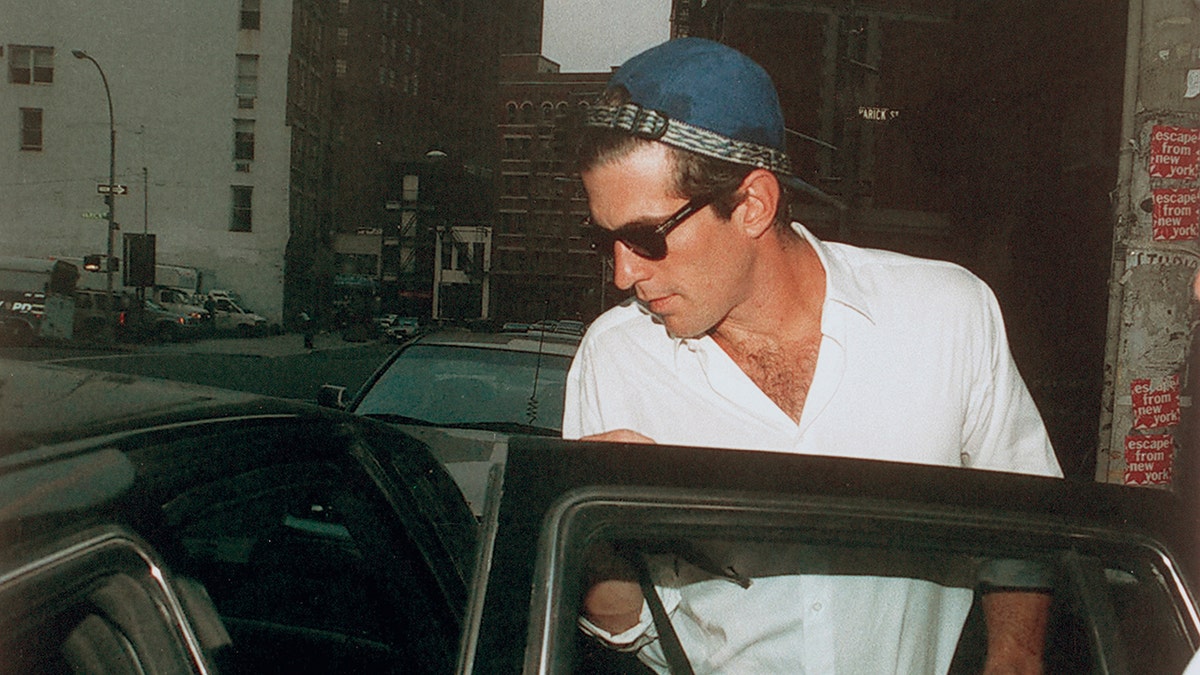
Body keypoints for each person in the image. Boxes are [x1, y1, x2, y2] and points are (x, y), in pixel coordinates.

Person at [562, 38, 1063, 674]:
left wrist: (1013, 659)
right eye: (603, 240)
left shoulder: (946, 315)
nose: (623, 273)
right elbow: (619, 623)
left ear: (752, 205)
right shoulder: (615, 359)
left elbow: (1026, 522)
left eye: (643, 237)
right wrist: (603, 540)